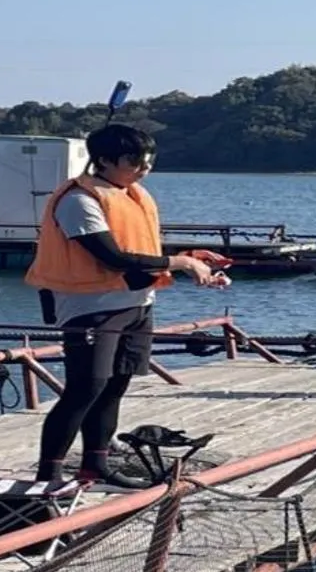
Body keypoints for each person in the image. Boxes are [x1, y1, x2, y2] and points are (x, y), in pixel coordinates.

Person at [24, 124, 230, 490]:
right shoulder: (79, 201)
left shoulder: (132, 194)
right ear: (103, 160)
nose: (144, 168)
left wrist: (192, 257)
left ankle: (95, 465)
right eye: (134, 161)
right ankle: (48, 476)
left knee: (115, 386)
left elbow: (143, 251)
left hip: (136, 303)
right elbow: (113, 257)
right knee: (85, 389)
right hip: (91, 308)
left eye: (148, 161)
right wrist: (182, 264)